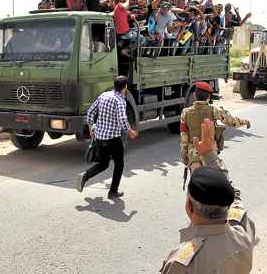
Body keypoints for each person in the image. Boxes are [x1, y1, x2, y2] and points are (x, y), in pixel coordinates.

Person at [161, 119, 255, 274]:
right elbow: (234, 196)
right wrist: (210, 155)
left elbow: (232, 195)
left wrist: (207, 155)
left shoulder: (181, 264)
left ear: (188, 207)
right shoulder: (243, 232)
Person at [76, 76, 138, 199]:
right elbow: (122, 119)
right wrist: (129, 130)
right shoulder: (120, 100)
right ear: (125, 87)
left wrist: (90, 127)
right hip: (113, 139)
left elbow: (90, 112)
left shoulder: (103, 95)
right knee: (119, 164)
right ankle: (113, 191)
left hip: (99, 137)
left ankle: (85, 176)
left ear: (114, 85)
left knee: (104, 164)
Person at [180, 82, 250, 173]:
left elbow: (184, 138)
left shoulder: (185, 112)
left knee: (196, 182)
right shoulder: (214, 110)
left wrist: (185, 158)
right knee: (217, 177)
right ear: (208, 97)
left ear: (194, 95)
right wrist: (245, 122)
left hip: (193, 153)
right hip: (210, 153)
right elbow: (232, 122)